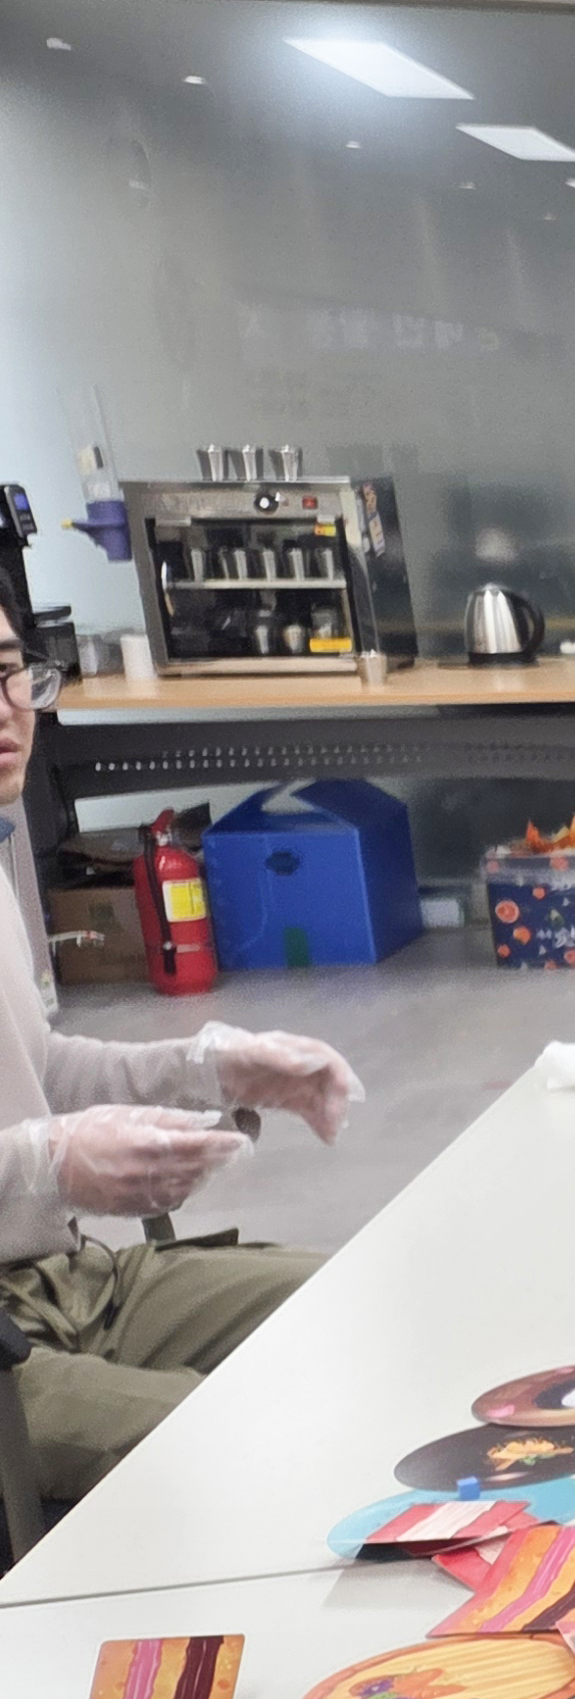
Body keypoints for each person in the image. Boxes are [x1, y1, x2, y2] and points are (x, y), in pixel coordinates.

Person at [0, 601, 362, 1500]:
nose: (7, 710)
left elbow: (34, 1073)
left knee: (354, 1308)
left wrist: (206, 1070)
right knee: (246, 1449)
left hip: (61, 1283)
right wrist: (48, 1167)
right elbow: (38, 1143)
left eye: (8, 673)